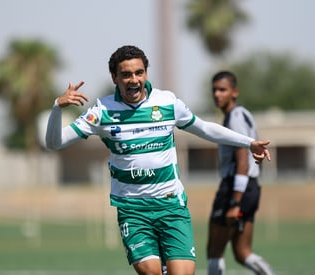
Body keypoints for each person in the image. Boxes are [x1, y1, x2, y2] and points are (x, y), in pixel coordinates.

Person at [45, 45, 271, 275]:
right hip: (133, 209)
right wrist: (57, 108)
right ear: (114, 77)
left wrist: (249, 142)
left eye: (139, 73)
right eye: (126, 74)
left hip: (171, 205)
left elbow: (204, 129)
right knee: (152, 272)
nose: (133, 80)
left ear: (145, 74)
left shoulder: (167, 102)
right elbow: (54, 143)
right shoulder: (101, 110)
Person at [206, 71, 274, 275]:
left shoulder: (235, 117)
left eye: (222, 89)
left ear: (234, 92)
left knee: (214, 251)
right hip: (251, 187)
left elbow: (242, 161)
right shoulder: (243, 114)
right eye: (214, 90)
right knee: (242, 252)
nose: (217, 94)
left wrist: (235, 202)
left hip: (235, 188)